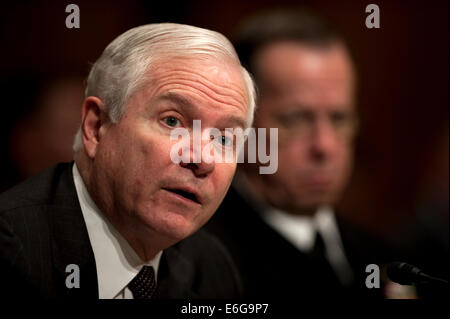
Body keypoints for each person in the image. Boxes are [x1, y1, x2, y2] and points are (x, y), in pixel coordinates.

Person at [0, 23, 256, 299]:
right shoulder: (12, 249)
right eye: (172, 121)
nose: (203, 160)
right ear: (95, 126)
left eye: (223, 139)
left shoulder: (210, 267)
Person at [206, 9, 395, 299]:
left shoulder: (385, 260)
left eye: (339, 118)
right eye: (296, 119)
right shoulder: (199, 266)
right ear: (239, 125)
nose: (325, 146)